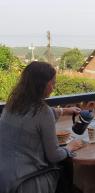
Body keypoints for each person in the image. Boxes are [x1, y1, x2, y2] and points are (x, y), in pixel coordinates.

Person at [0, 61, 83, 193]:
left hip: (4, 179)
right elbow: (54, 156)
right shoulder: (43, 111)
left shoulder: (12, 104)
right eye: (52, 83)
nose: (53, 87)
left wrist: (64, 111)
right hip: (26, 182)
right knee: (66, 164)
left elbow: (33, 117)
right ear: (41, 85)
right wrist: (69, 147)